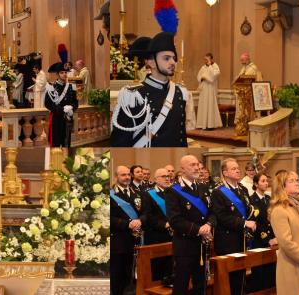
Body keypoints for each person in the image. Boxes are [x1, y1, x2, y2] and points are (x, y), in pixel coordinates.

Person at [111, 32, 188, 147]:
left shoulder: (180, 93)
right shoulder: (133, 95)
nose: (173, 62)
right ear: (151, 63)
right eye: (166, 58)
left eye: (173, 58)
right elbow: (120, 142)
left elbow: (181, 137)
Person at [164, 155, 216, 295]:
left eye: (197, 164)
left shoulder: (203, 187)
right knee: (181, 285)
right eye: (192, 165)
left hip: (202, 245)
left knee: (201, 285)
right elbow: (175, 220)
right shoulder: (173, 191)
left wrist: (209, 225)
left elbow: (212, 212)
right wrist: (200, 229)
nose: (197, 167)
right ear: (182, 169)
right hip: (185, 246)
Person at [211, 158, 256, 295]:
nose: (238, 170)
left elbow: (248, 210)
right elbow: (222, 217)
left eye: (238, 168)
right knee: (230, 278)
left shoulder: (242, 189)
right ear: (225, 172)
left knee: (241, 275)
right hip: (227, 240)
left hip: (241, 239)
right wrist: (244, 223)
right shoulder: (218, 192)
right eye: (233, 168)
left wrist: (252, 219)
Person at [269, 171, 299, 295]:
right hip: (293, 267)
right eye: (291, 181)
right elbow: (287, 244)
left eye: (297, 180)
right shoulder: (279, 210)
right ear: (282, 186)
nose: (297, 183)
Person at [110, 166, 142, 295]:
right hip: (119, 242)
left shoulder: (138, 193)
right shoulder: (111, 195)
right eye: (123, 175)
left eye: (128, 174)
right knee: (118, 276)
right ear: (116, 177)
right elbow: (109, 217)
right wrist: (127, 224)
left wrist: (140, 221)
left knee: (132, 274)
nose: (127, 177)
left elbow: (146, 213)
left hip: (136, 240)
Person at [141, 168, 173, 281]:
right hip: (156, 235)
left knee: (171, 265)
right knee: (157, 267)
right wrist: (165, 224)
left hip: (173, 235)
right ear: (156, 179)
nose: (167, 178)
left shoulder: (172, 192)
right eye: (163, 176)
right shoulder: (148, 194)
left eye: (168, 176)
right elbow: (147, 215)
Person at [247, 172, 276, 292]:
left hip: (273, 240)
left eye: (266, 181)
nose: (266, 183)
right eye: (262, 181)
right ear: (255, 183)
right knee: (259, 273)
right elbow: (255, 223)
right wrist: (267, 239)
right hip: (259, 241)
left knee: (271, 272)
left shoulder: (269, 199)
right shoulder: (251, 200)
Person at [44, 62, 79, 147]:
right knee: (55, 142)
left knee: (66, 143)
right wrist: (62, 109)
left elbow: (76, 102)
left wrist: (71, 107)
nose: (64, 74)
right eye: (62, 72)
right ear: (57, 74)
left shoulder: (71, 87)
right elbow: (47, 104)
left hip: (67, 118)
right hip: (56, 118)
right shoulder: (51, 87)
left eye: (65, 72)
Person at [196, 53, 222, 130]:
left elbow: (215, 75)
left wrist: (210, 66)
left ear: (211, 58)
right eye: (205, 59)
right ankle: (202, 124)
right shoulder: (203, 67)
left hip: (210, 88)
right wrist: (202, 78)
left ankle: (210, 125)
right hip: (204, 88)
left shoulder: (215, 66)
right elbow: (198, 76)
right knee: (203, 105)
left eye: (207, 59)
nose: (205, 61)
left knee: (210, 104)